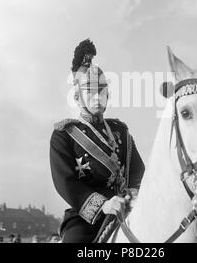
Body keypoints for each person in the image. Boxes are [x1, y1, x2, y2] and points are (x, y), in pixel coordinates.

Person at [50, 39, 145, 243]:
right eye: (90, 91)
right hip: (86, 220)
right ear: (77, 97)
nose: (97, 97)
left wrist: (134, 196)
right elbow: (65, 183)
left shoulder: (121, 131)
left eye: (101, 91)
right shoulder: (64, 135)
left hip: (127, 208)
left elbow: (137, 172)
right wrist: (103, 205)